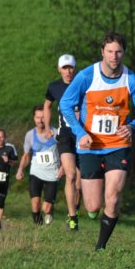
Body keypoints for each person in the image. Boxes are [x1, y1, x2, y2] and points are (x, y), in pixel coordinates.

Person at [59, 31, 135, 250]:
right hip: (90, 145)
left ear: (124, 53)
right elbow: (65, 104)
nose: (114, 56)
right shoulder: (86, 76)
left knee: (113, 197)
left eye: (118, 52)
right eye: (110, 51)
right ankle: (93, 211)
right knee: (93, 206)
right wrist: (80, 133)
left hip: (118, 144)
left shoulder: (131, 80)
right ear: (102, 52)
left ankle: (100, 247)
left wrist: (133, 126)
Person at [43, 54, 82, 231]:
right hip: (65, 135)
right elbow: (47, 105)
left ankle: (77, 209)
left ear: (75, 68)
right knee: (71, 175)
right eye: (65, 68)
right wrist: (47, 127)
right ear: (59, 69)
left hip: (83, 135)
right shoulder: (54, 87)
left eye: (71, 67)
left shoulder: (83, 84)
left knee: (81, 180)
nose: (68, 71)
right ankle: (72, 218)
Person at [16, 105, 62, 226]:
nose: (40, 120)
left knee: (46, 208)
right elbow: (26, 156)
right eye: (38, 117)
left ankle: (49, 211)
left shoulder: (56, 133)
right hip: (36, 172)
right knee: (35, 203)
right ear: (34, 118)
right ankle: (38, 227)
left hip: (52, 174)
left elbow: (65, 153)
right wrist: (20, 170)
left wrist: (63, 168)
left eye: (43, 117)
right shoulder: (30, 135)